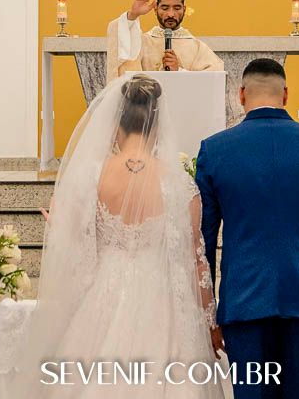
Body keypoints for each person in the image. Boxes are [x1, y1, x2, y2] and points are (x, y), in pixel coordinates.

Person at [25, 74, 225, 397]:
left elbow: (75, 250)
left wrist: (59, 228)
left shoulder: (92, 175)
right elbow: (196, 262)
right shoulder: (180, 185)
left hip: (101, 299)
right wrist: (210, 322)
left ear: (115, 125)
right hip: (163, 306)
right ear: (158, 128)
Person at [195, 59, 299, 399]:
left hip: (244, 298)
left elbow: (203, 240)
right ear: (285, 94)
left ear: (240, 94)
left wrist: (208, 311)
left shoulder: (215, 149)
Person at [106, 0, 224, 82]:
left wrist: (179, 72)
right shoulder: (142, 42)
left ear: (184, 9)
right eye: (165, 8)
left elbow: (215, 79)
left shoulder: (197, 47)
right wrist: (133, 15)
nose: (171, 14)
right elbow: (122, 51)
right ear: (155, 9)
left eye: (177, 8)